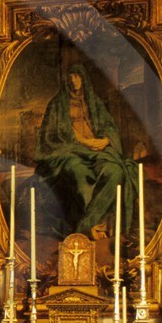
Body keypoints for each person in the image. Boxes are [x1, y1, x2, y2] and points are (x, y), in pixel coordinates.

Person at [34, 61, 138, 236]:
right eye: (71, 76)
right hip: (70, 150)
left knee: (115, 171)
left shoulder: (93, 101)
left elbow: (109, 126)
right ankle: (91, 227)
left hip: (98, 150)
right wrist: (83, 142)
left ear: (84, 79)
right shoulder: (57, 104)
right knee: (80, 176)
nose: (74, 80)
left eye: (78, 76)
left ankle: (86, 225)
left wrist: (105, 140)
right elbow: (51, 135)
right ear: (66, 79)